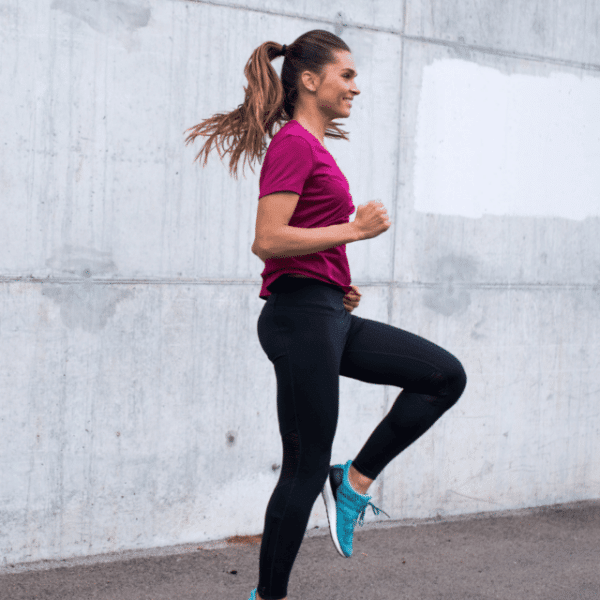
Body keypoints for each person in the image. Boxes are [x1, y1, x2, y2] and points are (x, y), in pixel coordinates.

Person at [185, 29, 467, 600]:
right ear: (310, 80)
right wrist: (355, 232)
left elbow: (302, 237)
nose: (355, 88)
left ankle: (354, 479)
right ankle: (267, 596)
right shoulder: (292, 143)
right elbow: (267, 239)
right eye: (347, 75)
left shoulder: (314, 148)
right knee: (302, 465)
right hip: (299, 320)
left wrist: (337, 277)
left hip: (326, 311)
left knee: (443, 376)